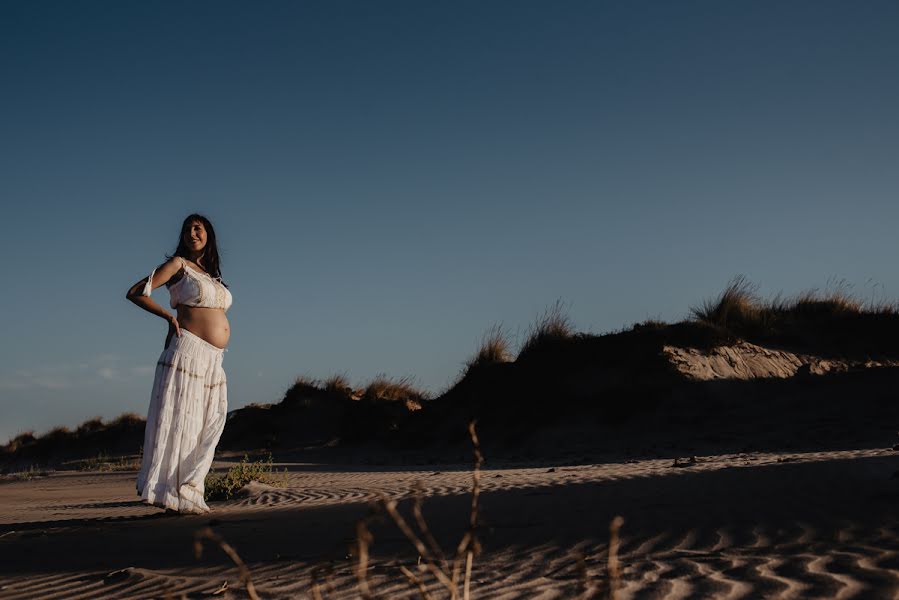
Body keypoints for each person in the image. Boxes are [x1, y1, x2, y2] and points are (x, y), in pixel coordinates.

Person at [125, 213, 233, 514]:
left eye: (197, 228)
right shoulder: (178, 265)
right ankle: (170, 494)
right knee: (181, 424)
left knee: (208, 424)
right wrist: (168, 316)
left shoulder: (212, 276)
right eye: (187, 229)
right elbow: (136, 292)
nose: (192, 233)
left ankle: (189, 491)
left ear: (208, 234)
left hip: (213, 360)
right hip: (188, 353)